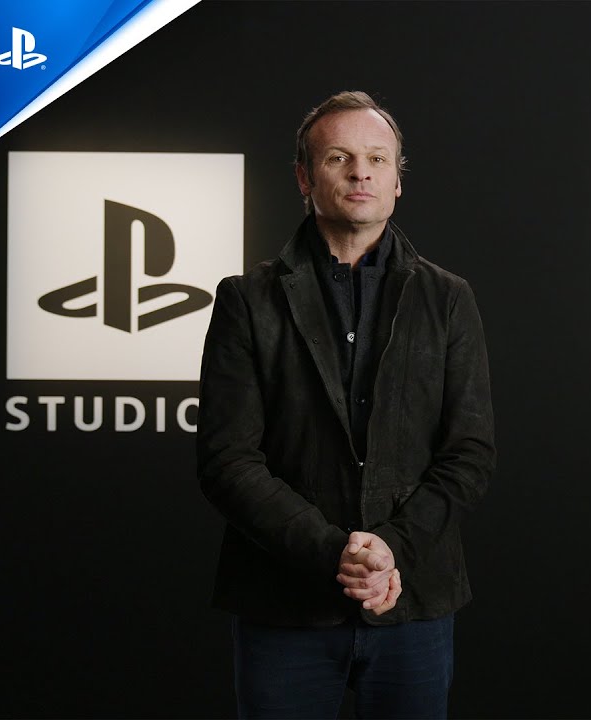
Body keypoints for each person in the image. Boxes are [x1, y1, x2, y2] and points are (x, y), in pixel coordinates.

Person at [197, 90, 495, 719]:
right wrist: (337, 552)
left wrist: (391, 550)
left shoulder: (448, 299)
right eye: (339, 157)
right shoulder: (246, 299)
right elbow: (227, 461)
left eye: (377, 159)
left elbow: (469, 454)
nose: (361, 172)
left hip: (413, 601)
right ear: (305, 178)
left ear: (397, 181)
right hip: (283, 604)